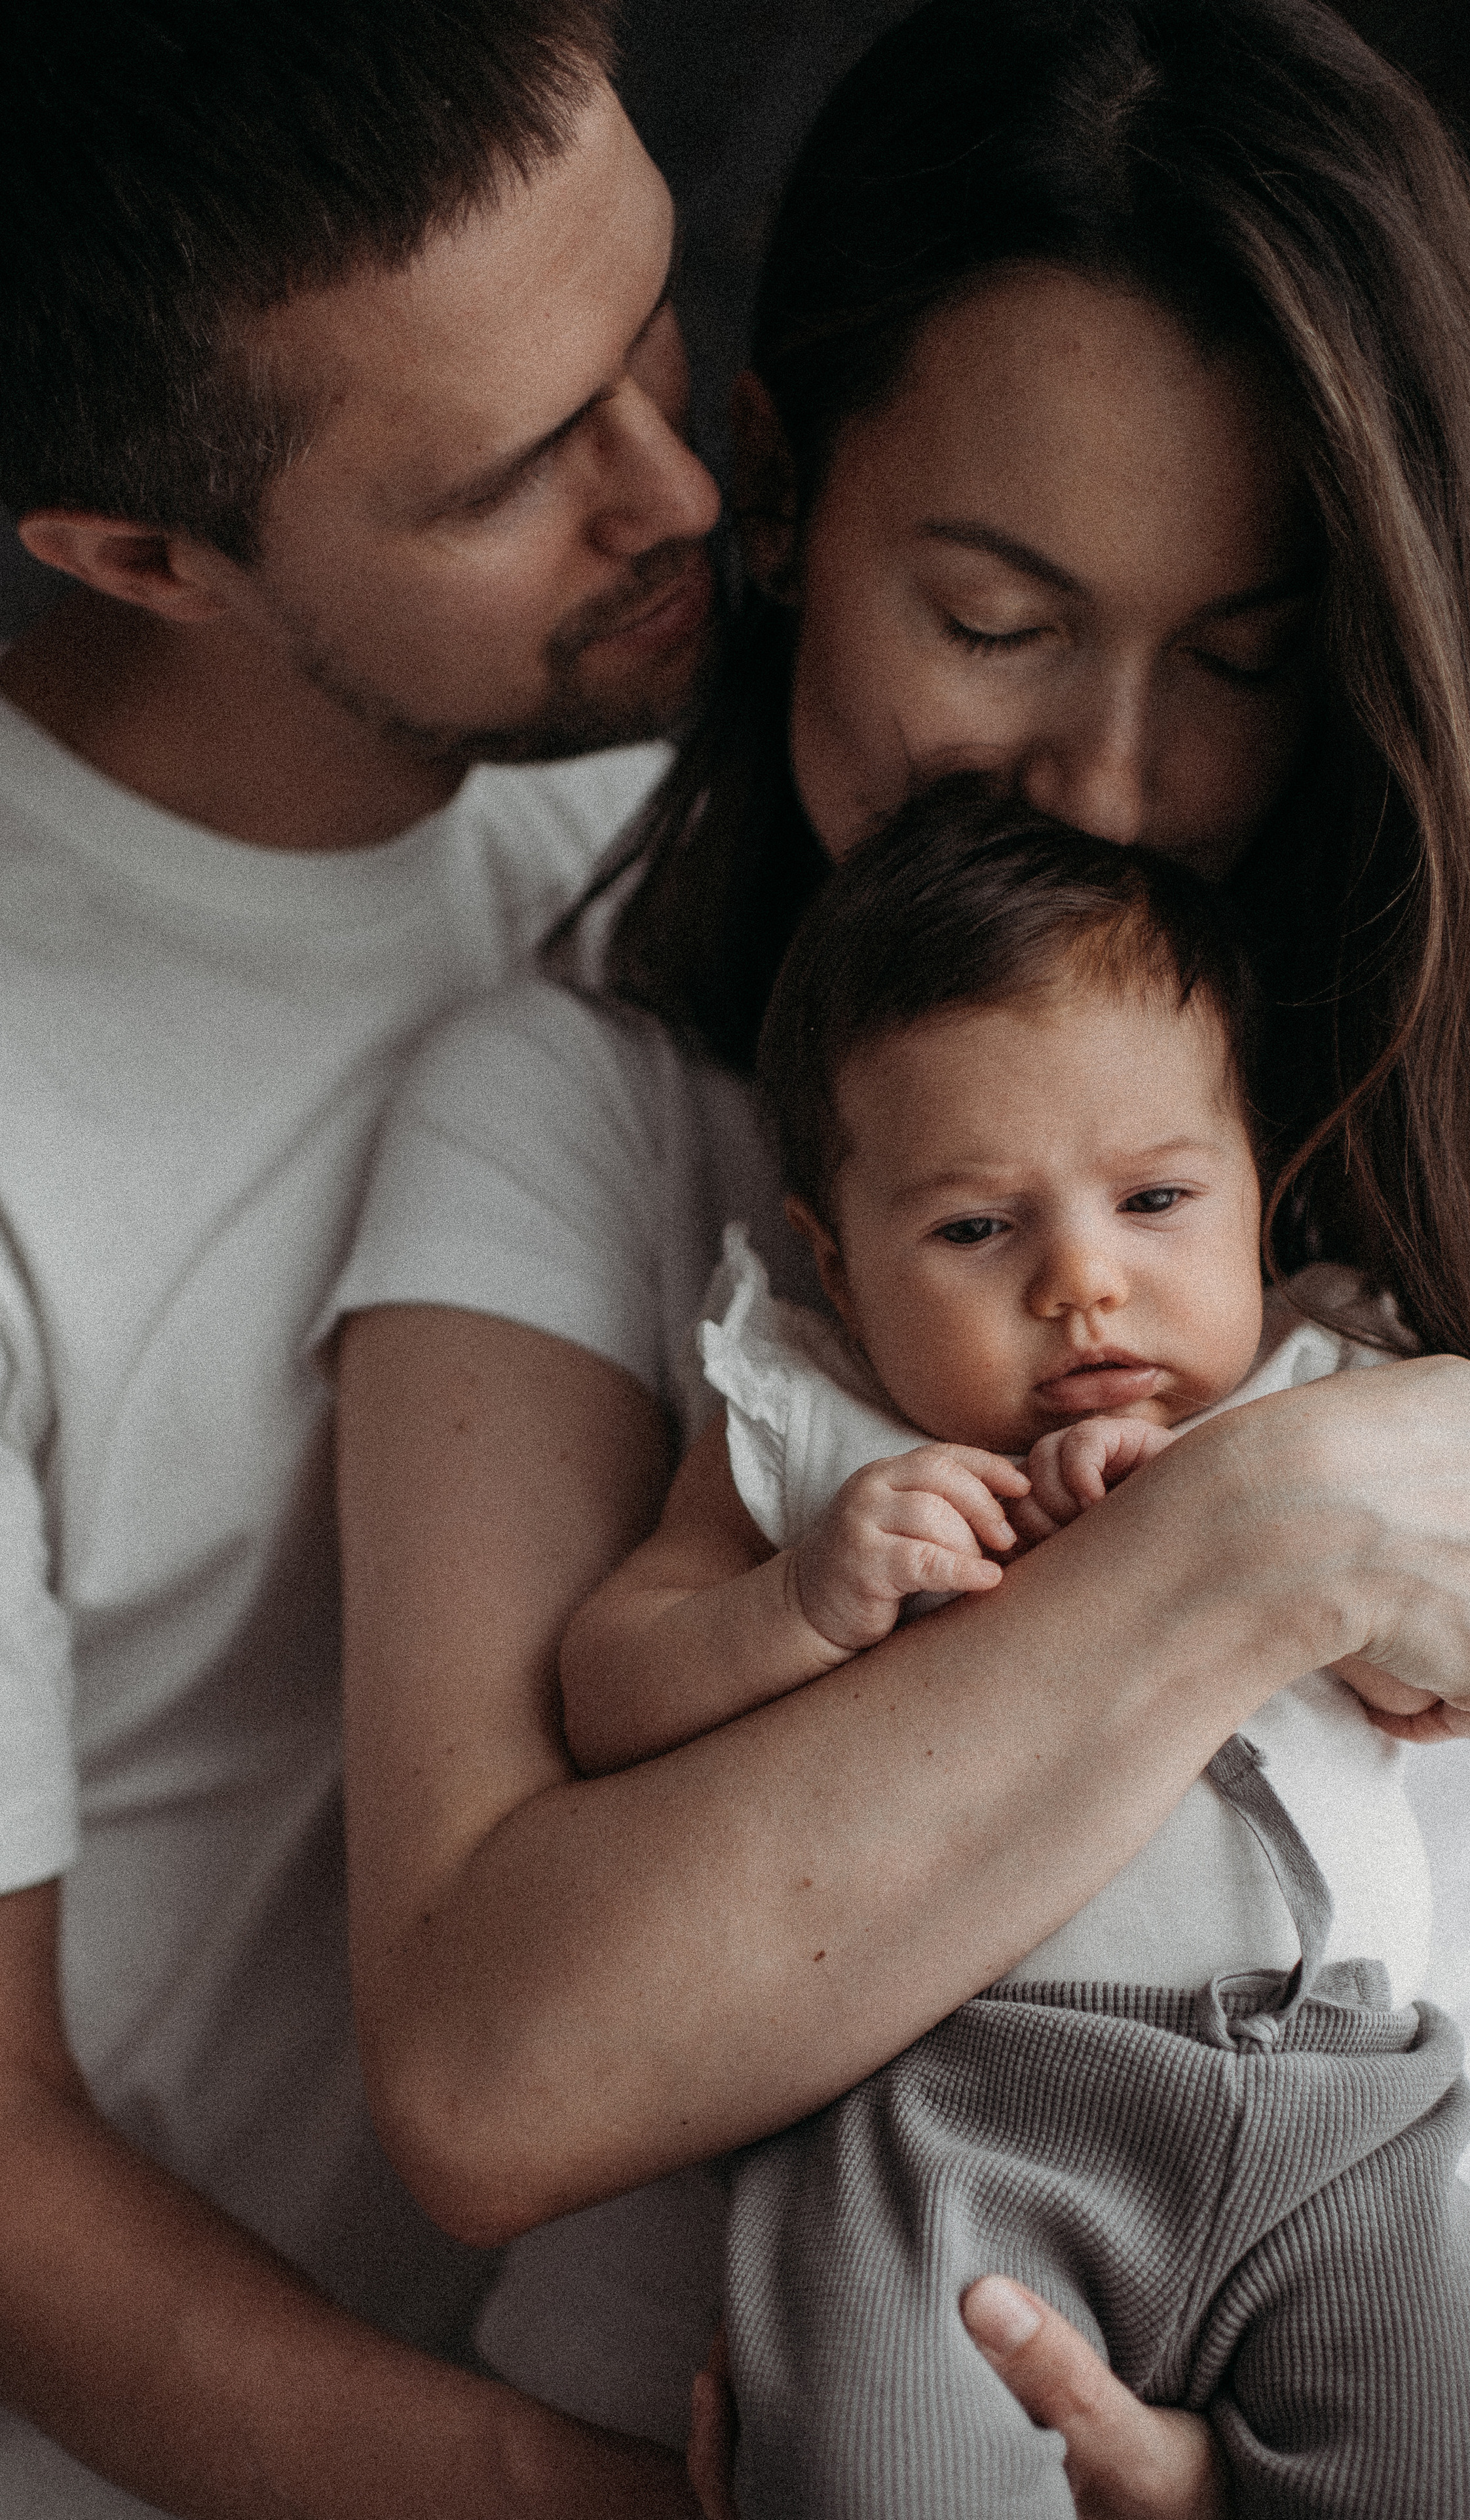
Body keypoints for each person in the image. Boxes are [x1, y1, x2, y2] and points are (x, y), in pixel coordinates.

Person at [326, 0, 1470, 2512]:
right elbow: (495, 2077)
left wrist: (1328, 2456)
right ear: (777, 489)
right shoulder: (578, 1121)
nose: (1118, 783)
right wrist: (1257, 1537)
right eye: (993, 619)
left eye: (1245, 659)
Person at [0, 2, 731, 2512]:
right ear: (140, 553)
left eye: (647, 317)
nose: (680, 488)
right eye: (522, 471)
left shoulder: (700, 833)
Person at [561, 791, 1470, 2519]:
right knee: (866, 2467)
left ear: (1263, 1190)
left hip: (1336, 2098)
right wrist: (798, 1601)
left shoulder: (1343, 1400)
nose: (1084, 1286)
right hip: (956, 2116)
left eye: (1158, 1198)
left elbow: (1443, 1685)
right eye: (975, 1231)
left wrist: (1290, 1551)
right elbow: (607, 1685)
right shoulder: (812, 1421)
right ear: (837, 1250)